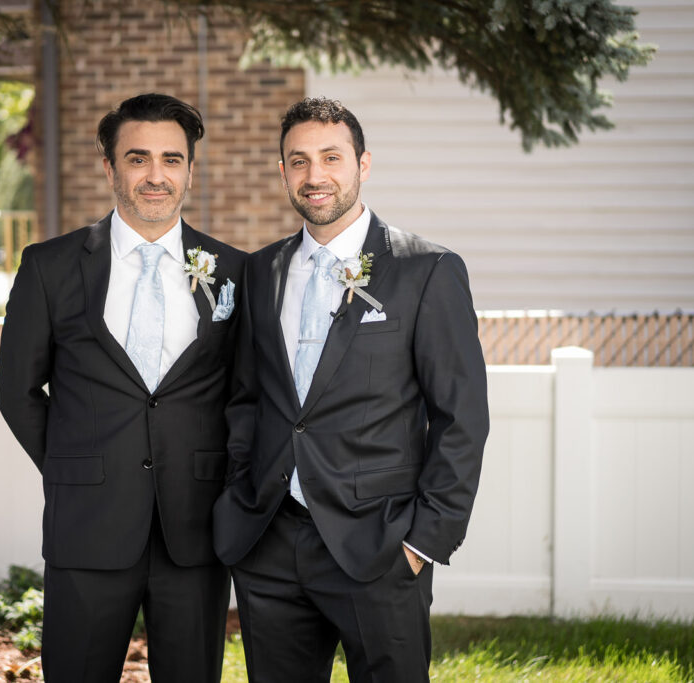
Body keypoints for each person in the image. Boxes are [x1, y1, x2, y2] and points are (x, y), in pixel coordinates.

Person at [214, 97, 489, 682]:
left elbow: (461, 415)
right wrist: (242, 489)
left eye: (331, 158)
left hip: (382, 544)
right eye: (298, 161)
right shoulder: (260, 272)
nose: (315, 176)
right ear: (283, 171)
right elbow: (246, 399)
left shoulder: (426, 270)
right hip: (270, 541)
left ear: (363, 165)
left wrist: (425, 540)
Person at [0, 93, 244, 683]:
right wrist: (73, 465)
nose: (155, 176)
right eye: (137, 159)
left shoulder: (234, 270)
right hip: (87, 524)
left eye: (171, 159)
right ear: (109, 167)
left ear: (190, 168)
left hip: (197, 528)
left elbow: (246, 394)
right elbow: (17, 389)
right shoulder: (49, 267)